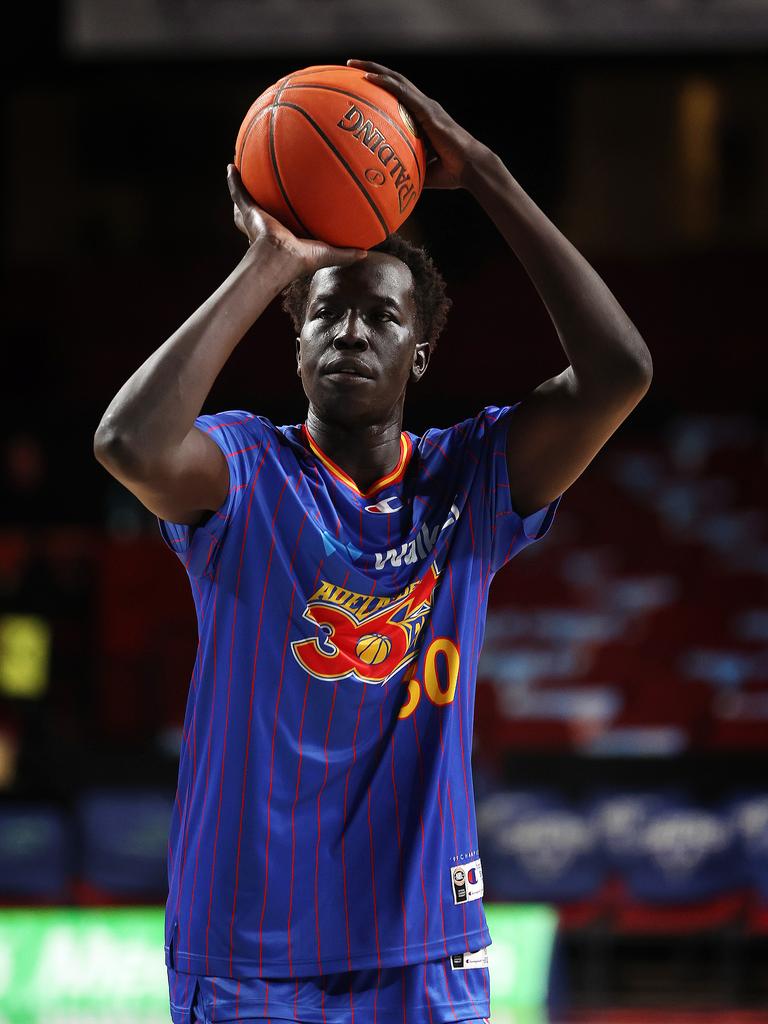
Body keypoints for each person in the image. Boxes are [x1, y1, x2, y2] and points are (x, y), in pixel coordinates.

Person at [94, 60, 652, 1024]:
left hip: (422, 945)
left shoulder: (468, 481)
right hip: (245, 949)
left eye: (381, 315)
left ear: (419, 351)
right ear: (298, 346)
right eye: (326, 314)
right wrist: (268, 263)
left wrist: (485, 175)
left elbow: (619, 372)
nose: (351, 330)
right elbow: (127, 443)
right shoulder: (245, 472)